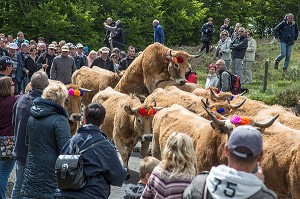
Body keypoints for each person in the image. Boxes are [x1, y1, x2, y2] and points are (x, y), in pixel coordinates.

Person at [183, 125, 277, 199]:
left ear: (226, 150)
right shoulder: (266, 196)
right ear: (260, 157)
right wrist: (257, 184)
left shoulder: (200, 183)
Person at [55, 103, 127, 199]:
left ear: (84, 120)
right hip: (92, 194)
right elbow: (118, 178)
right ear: (103, 121)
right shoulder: (106, 146)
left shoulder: (70, 142)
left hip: (63, 195)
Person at [21, 83, 71, 198]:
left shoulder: (32, 116)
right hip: (51, 174)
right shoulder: (60, 120)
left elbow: (27, 143)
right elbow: (66, 151)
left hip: (31, 169)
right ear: (61, 100)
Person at [11, 71, 49, 198]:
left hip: (20, 150)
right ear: (47, 85)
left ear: (30, 84)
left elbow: (13, 122)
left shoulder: (20, 99)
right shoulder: (43, 104)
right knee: (34, 190)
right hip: (36, 153)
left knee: (18, 185)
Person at [140, 132, 196, 198]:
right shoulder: (190, 181)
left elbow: (144, 197)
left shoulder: (157, 172)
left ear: (167, 150)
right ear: (189, 153)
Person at [0, 76, 20, 199]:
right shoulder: (14, 101)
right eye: (12, 85)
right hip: (9, 141)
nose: (14, 87)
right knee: (4, 174)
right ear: (8, 87)